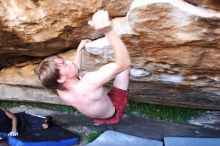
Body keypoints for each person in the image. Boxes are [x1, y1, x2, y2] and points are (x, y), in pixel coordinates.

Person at [36, 10, 131, 124]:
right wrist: (108, 31)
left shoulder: (59, 89)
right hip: (114, 112)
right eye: (65, 64)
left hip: (95, 117)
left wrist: (79, 50)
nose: (69, 62)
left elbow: (75, 71)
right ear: (60, 78)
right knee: (124, 68)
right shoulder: (90, 81)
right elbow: (124, 63)